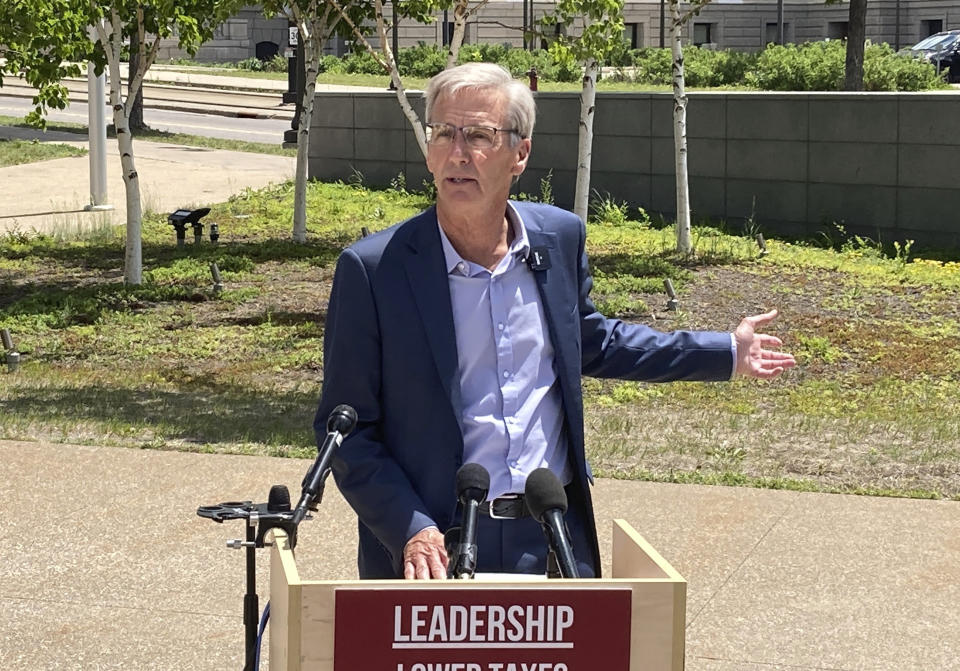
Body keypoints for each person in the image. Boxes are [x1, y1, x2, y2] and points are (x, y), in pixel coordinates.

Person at [315, 62, 795, 580]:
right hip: (435, 547)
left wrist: (723, 351)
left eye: (479, 135)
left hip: (551, 537)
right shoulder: (374, 269)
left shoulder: (557, 238)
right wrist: (409, 527)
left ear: (520, 153)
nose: (458, 153)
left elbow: (593, 342)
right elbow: (346, 428)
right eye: (444, 133)